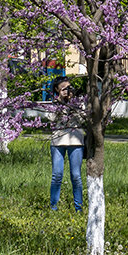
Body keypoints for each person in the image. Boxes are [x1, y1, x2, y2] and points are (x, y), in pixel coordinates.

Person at [49, 78, 84, 211]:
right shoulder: (54, 104)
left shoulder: (78, 103)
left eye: (68, 88)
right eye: (63, 88)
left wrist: (73, 105)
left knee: (76, 176)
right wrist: (60, 103)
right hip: (58, 141)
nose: (66, 91)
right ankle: (53, 207)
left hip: (75, 141)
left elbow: (82, 119)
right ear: (57, 90)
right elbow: (51, 119)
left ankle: (78, 208)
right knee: (57, 175)